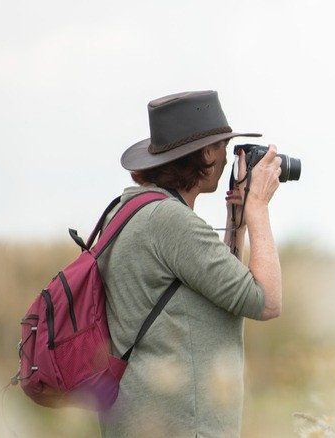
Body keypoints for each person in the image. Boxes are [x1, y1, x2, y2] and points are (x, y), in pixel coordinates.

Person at [96, 90, 283, 437]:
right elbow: (267, 300)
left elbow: (214, 291)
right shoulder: (170, 221)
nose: (229, 158)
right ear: (207, 153)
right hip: (180, 424)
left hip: (137, 420)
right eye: (224, 147)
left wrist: (236, 222)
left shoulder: (127, 210)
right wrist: (258, 207)